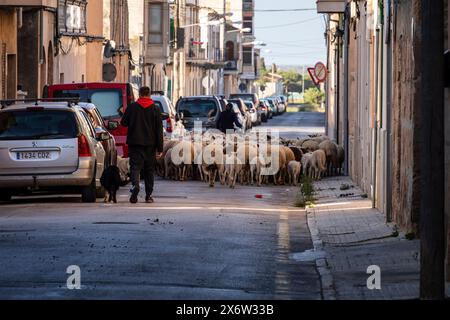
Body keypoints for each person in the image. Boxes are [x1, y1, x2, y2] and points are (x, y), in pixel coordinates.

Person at [120, 86, 163, 204]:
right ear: (149, 95)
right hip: (150, 145)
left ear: (139, 94)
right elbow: (159, 130)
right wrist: (160, 149)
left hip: (135, 143)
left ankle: (135, 186)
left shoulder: (132, 107)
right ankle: (148, 196)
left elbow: (123, 123)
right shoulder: (155, 109)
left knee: (135, 167)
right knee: (149, 170)